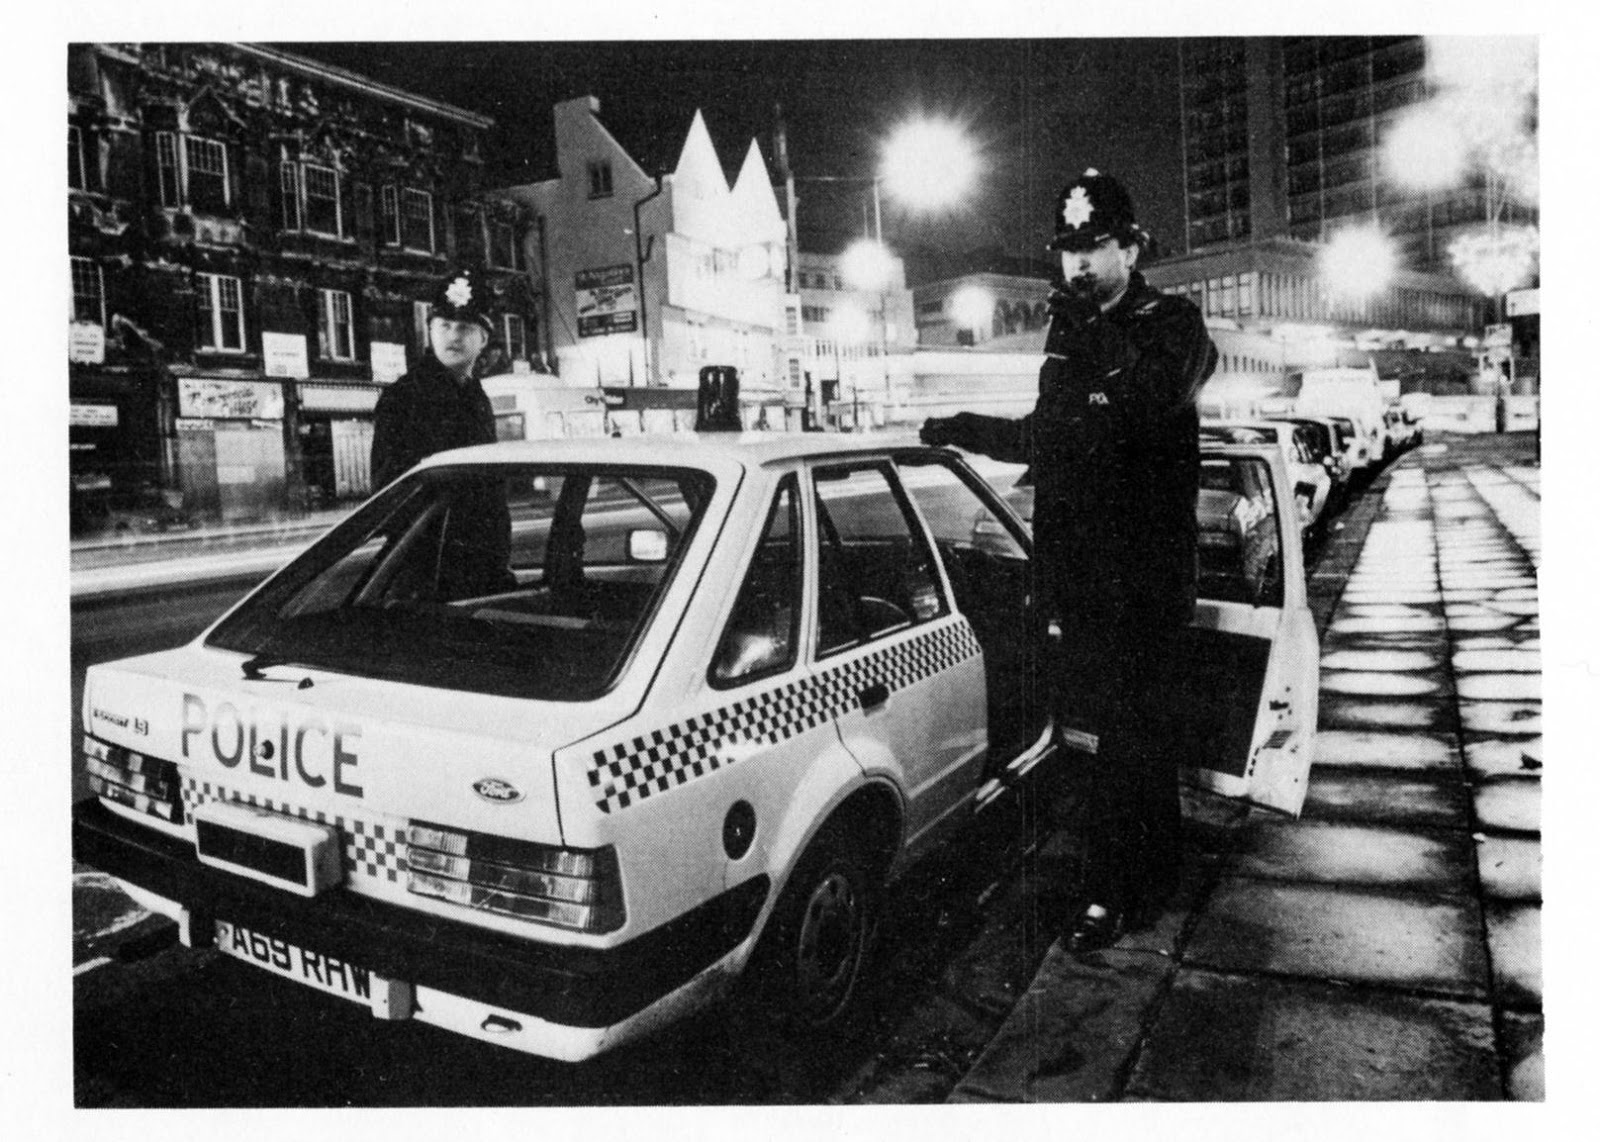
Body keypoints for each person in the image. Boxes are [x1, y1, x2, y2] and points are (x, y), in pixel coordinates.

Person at [920, 169, 1218, 953]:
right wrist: (966, 428)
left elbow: (1135, 413)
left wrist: (1090, 342)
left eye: (1094, 248)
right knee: (1119, 741)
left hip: (1143, 580)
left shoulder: (1173, 324)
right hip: (1082, 576)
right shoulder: (1069, 332)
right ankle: (1155, 871)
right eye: (1068, 251)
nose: (1078, 265)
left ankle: (1109, 892)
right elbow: (1049, 433)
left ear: (1130, 247)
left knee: (1124, 742)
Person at [371, 266, 513, 599]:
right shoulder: (404, 397)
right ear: (429, 331)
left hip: (481, 567)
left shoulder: (476, 395)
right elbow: (389, 491)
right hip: (429, 573)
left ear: (484, 338)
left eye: (465, 327)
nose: (453, 336)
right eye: (444, 326)